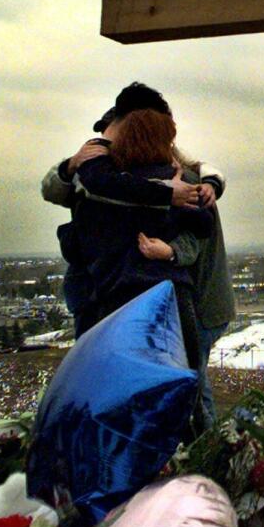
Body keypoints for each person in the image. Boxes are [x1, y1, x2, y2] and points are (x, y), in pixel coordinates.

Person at [42, 82, 236, 424]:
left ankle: (200, 457)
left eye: (113, 132)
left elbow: (196, 235)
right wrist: (71, 166)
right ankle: (201, 459)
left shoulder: (182, 179)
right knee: (182, 395)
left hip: (193, 304)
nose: (106, 140)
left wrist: (172, 248)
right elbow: (60, 188)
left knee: (183, 393)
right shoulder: (108, 176)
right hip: (144, 303)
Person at [61, 108, 212, 372]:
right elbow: (203, 223)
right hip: (168, 299)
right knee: (179, 381)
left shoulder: (98, 186)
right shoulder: (176, 181)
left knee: (111, 381)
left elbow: (74, 244)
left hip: (110, 297)